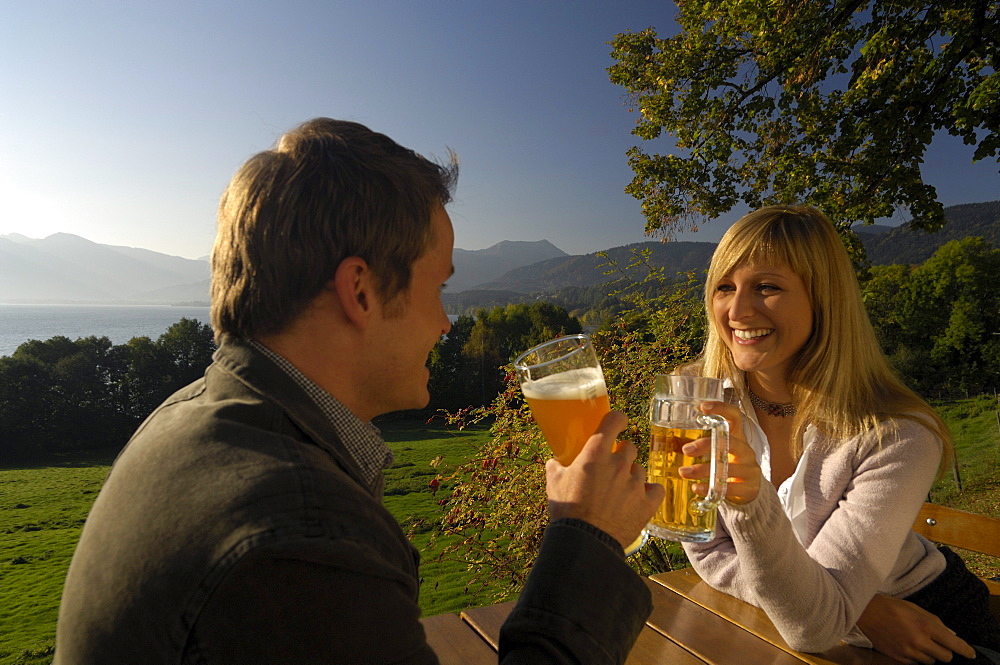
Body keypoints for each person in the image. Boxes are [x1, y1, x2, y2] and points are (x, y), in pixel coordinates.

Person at [53, 118, 664, 664]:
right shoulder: (300, 536)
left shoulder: (193, 417)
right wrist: (588, 538)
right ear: (361, 291)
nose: (446, 323)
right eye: (439, 288)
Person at [678, 205, 1000, 664]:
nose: (738, 309)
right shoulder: (698, 398)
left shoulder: (897, 434)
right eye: (724, 287)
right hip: (849, 621)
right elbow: (708, 550)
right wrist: (861, 613)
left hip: (928, 623)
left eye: (767, 287)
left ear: (822, 299)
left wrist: (751, 504)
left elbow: (812, 627)